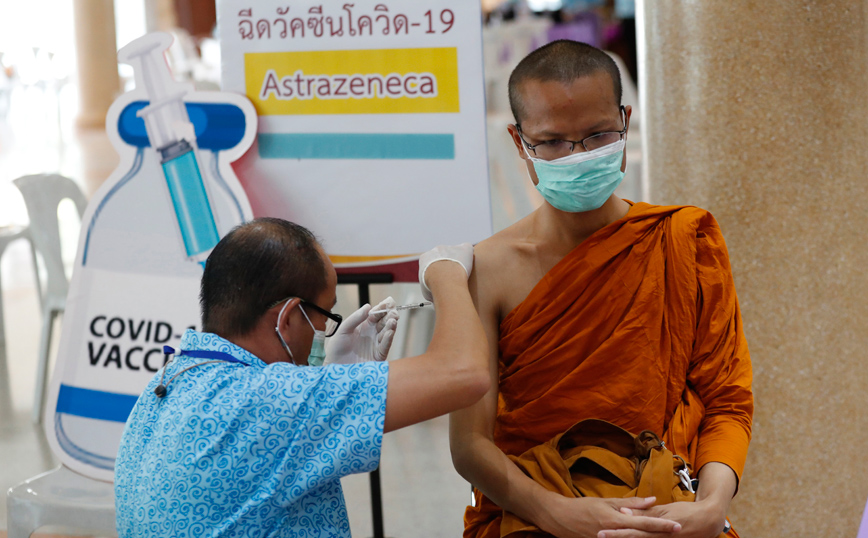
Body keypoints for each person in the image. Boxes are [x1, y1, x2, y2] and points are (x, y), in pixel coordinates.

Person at [449, 40, 753, 538]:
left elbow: (726, 399)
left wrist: (711, 507)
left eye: (597, 136)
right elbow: (469, 444)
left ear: (626, 120)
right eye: (552, 142)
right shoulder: (489, 268)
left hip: (671, 509)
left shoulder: (681, 240)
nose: (577, 156)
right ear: (518, 139)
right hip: (536, 512)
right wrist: (552, 512)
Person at [114, 217, 488, 537]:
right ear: (288, 318)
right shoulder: (269, 400)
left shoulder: (167, 385)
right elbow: (463, 372)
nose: (324, 330)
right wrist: (446, 274)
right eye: (324, 316)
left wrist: (333, 376)